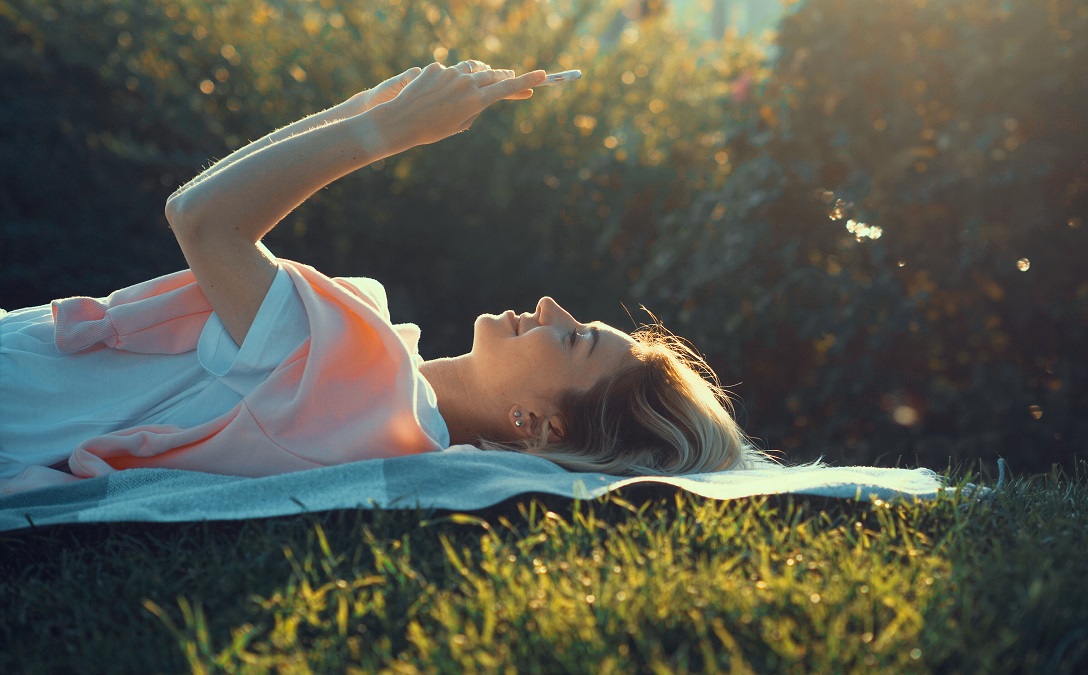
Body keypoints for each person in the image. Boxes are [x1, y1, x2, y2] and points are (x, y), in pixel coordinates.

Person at [0, 60, 772, 493]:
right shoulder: (381, 403)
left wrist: (388, 130)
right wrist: (375, 104)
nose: (548, 304)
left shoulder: (370, 386)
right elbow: (208, 216)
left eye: (571, 338)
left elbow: (200, 217)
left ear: (536, 427)